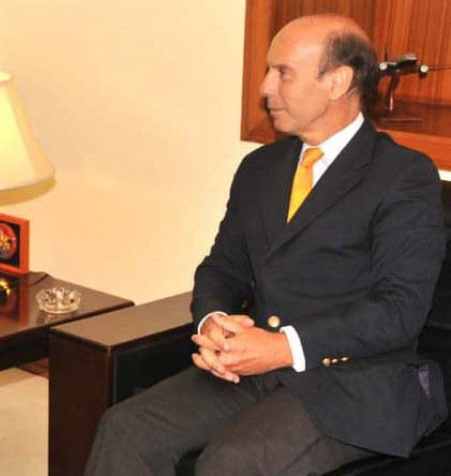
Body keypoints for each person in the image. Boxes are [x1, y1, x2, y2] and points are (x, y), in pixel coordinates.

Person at [85, 13, 448, 476]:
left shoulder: (402, 176)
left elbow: (399, 310)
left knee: (232, 463)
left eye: (283, 73)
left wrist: (283, 347)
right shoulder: (261, 168)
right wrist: (214, 321)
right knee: (126, 428)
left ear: (338, 82)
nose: (264, 88)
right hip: (253, 366)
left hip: (352, 381)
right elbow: (223, 266)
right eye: (267, 71)